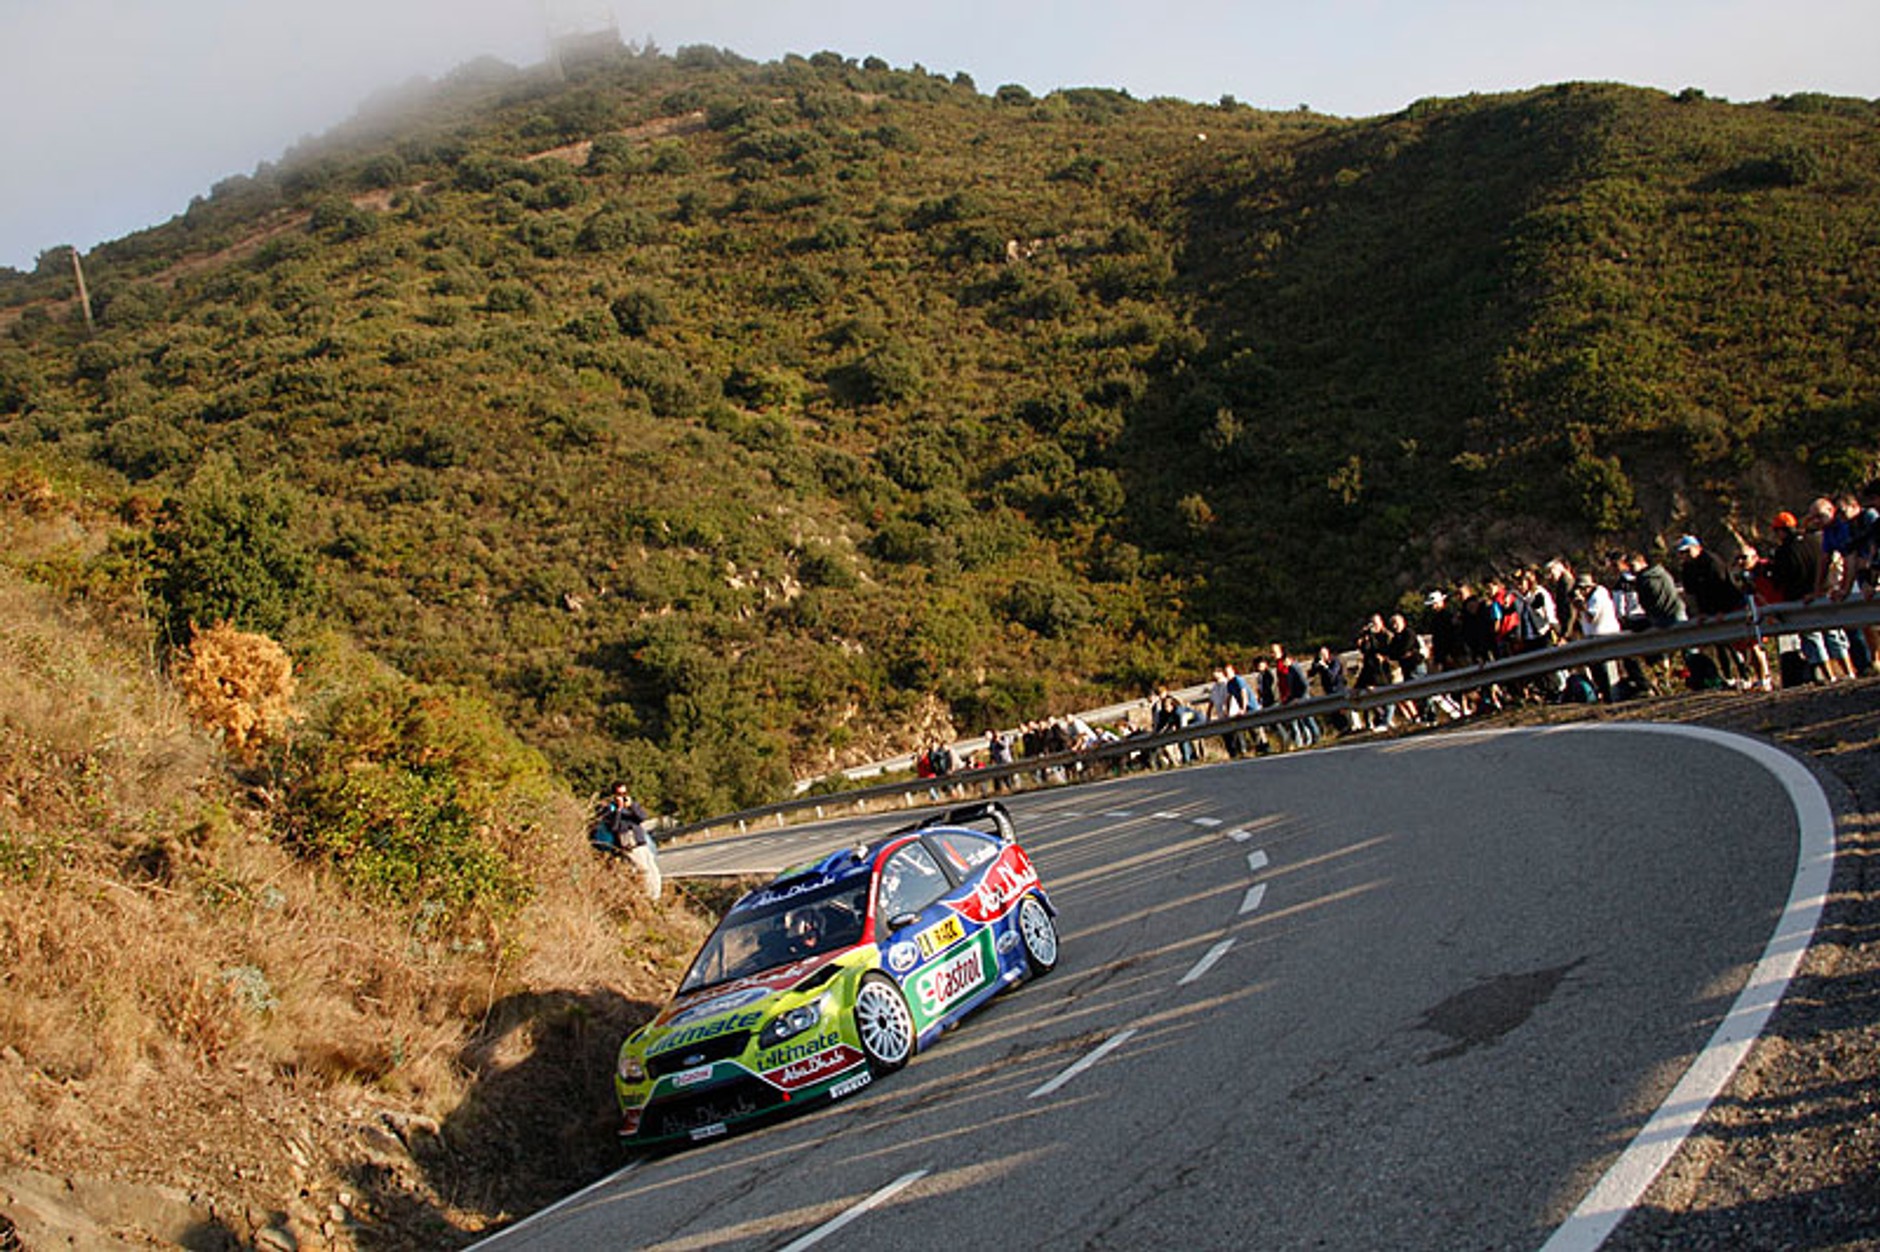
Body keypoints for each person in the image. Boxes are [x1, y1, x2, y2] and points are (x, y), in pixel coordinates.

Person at [591, 782, 661, 901]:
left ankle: (656, 896)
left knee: (653, 870)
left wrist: (631, 806)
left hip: (641, 842)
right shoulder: (610, 809)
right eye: (619, 794)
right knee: (643, 871)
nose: (622, 796)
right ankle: (647, 897)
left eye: (625, 793)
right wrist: (619, 810)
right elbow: (614, 827)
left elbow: (642, 817)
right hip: (629, 845)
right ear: (614, 795)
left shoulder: (632, 805)